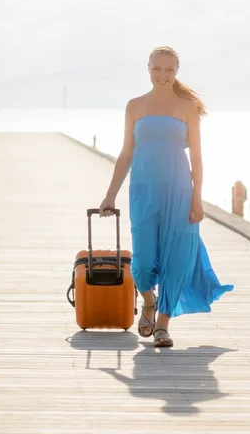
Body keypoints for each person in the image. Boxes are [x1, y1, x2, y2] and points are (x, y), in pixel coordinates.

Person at [99, 46, 233, 348]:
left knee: (178, 258)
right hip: (143, 190)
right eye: (157, 69)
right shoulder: (134, 106)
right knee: (143, 262)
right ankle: (148, 301)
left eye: (169, 70)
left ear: (177, 71)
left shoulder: (187, 107)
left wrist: (197, 198)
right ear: (148, 68)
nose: (163, 75)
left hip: (180, 192)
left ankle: (163, 324)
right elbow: (126, 152)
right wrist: (110, 195)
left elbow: (197, 156)